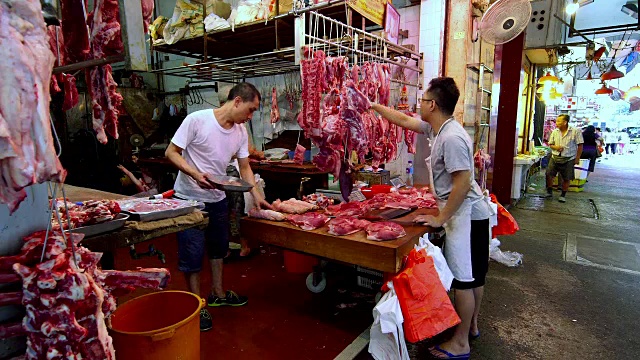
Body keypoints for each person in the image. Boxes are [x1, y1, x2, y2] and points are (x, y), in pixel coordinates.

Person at [371, 77, 493, 360]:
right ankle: (471, 326)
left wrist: (441, 217)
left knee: (464, 279)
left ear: (433, 104)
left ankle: (460, 342)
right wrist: (375, 106)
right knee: (474, 277)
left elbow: (462, 182)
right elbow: (404, 121)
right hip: (467, 215)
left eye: (423, 100)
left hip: (466, 216)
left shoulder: (451, 137)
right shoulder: (439, 129)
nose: (419, 105)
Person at [165, 82, 271, 332]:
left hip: (217, 198)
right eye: (250, 109)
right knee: (192, 255)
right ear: (236, 101)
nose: (251, 116)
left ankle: (218, 293)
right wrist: (195, 173)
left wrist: (256, 195)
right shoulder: (197, 120)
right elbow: (171, 152)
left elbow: (245, 167)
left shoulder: (240, 132)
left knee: (218, 249)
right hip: (189, 199)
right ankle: (197, 306)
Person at [545, 114, 583, 203]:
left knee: (567, 178)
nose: (556, 123)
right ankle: (549, 191)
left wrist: (577, 158)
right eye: (556, 121)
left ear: (565, 122)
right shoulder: (555, 132)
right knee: (549, 174)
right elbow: (550, 144)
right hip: (555, 157)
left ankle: (563, 195)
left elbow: (580, 145)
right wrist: (556, 147)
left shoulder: (575, 131)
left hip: (569, 158)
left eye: (559, 121)